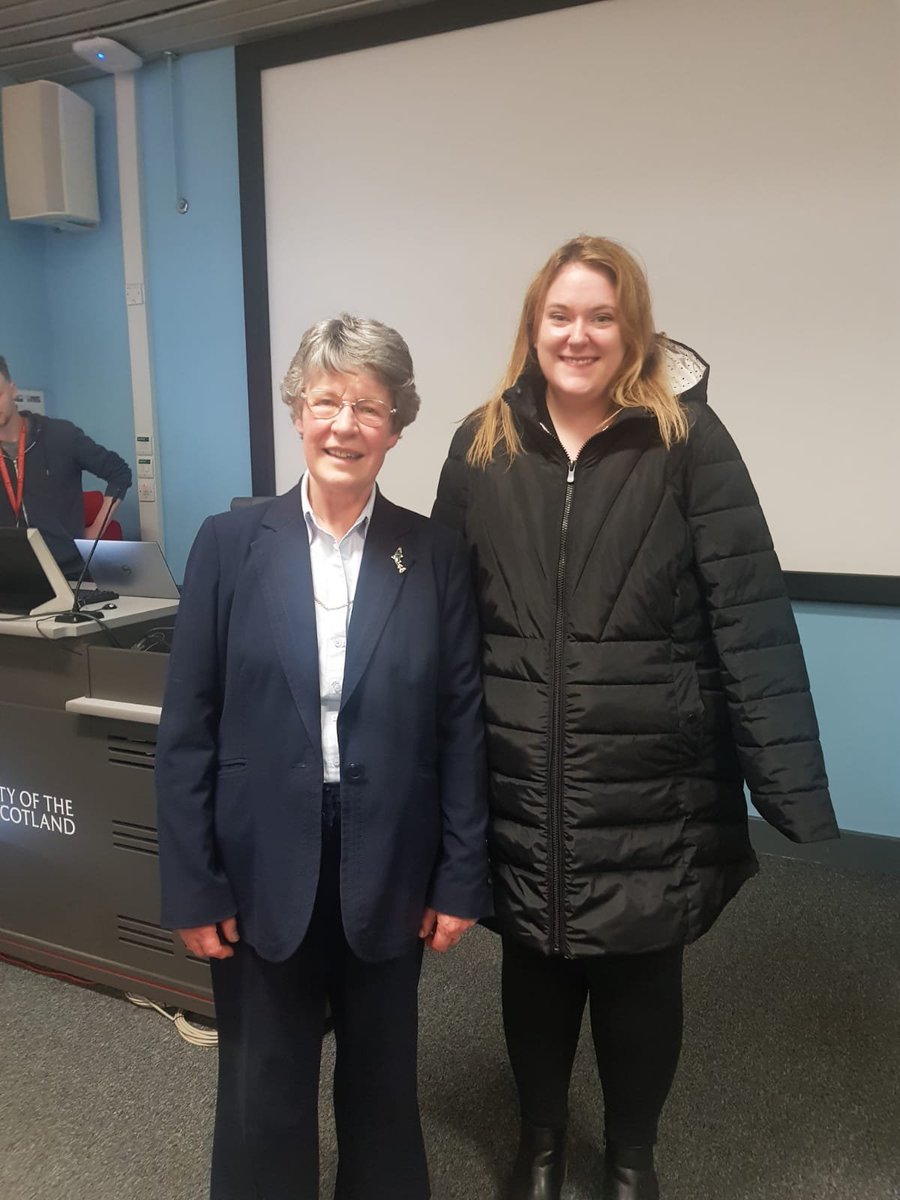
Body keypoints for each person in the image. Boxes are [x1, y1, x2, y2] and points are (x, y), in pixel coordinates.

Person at [432, 236, 839, 1200]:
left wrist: (791, 785)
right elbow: (440, 621)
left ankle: (630, 1158)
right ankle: (537, 1145)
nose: (580, 335)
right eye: (561, 316)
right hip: (519, 766)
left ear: (634, 330)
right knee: (533, 966)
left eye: (602, 317)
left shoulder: (691, 442)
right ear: (533, 328)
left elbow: (748, 611)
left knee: (641, 977)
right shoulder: (479, 443)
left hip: (656, 772)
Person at [155, 314, 491, 1200]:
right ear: (297, 412)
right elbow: (188, 727)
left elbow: (460, 723)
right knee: (264, 1087)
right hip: (261, 857)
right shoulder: (229, 547)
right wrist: (192, 884)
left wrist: (461, 876)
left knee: (383, 1086)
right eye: (326, 401)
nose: (345, 424)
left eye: (369, 407)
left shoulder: (433, 553)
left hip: (390, 856)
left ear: (397, 424)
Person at [0, 355, 133, 575]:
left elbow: (119, 472)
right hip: (12, 576)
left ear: (13, 390)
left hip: (68, 571)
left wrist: (96, 530)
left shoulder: (60, 436)